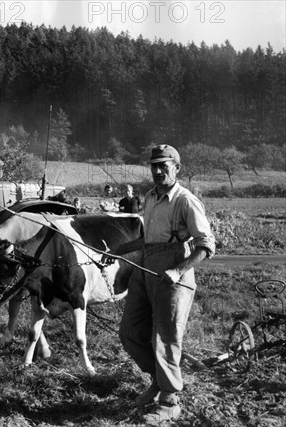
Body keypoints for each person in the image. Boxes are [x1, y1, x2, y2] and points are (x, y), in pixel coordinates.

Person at [105, 144, 215, 424]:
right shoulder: (150, 198)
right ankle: (158, 380)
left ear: (177, 168)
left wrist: (178, 271)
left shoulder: (186, 201)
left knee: (165, 338)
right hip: (145, 267)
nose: (156, 171)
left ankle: (170, 401)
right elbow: (148, 239)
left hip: (173, 273)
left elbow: (206, 246)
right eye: (153, 166)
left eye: (163, 165)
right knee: (129, 332)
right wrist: (118, 250)